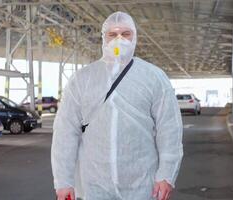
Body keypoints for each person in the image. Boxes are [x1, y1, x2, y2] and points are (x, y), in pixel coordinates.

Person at [51, 11, 183, 200]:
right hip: (95, 184)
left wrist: (166, 175)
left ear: (135, 37)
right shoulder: (82, 79)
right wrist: (63, 182)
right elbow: (65, 132)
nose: (119, 39)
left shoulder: (154, 77)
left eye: (125, 34)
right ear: (103, 38)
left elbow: (169, 129)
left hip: (142, 184)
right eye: (112, 34)